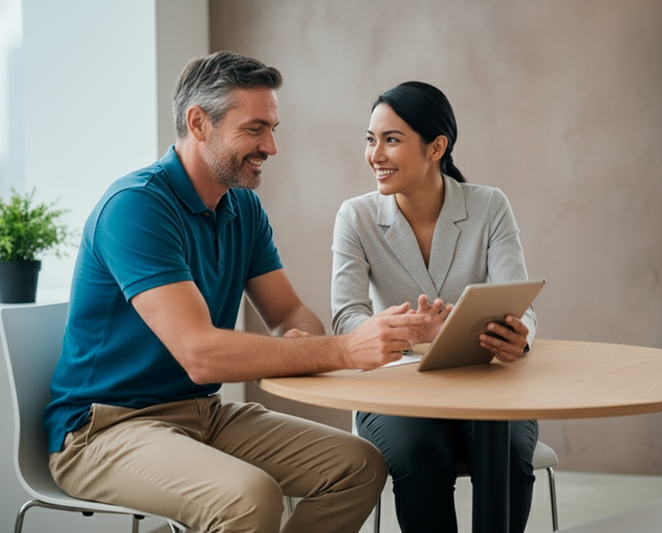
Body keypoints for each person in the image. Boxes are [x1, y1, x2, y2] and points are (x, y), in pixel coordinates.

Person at [44, 52, 433, 533]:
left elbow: (289, 312)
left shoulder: (242, 207)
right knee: (250, 499)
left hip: (201, 413)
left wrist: (301, 341)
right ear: (198, 123)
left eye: (272, 128)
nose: (271, 146)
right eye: (254, 129)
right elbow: (200, 355)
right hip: (105, 429)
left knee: (359, 467)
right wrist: (343, 349)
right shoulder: (136, 208)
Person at [331, 81, 539, 533]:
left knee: (507, 454)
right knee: (420, 456)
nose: (375, 155)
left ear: (436, 147)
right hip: (397, 391)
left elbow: (519, 304)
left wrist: (518, 335)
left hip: (485, 383)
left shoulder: (489, 206)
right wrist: (408, 331)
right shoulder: (356, 216)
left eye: (391, 140)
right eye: (370, 139)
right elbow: (347, 318)